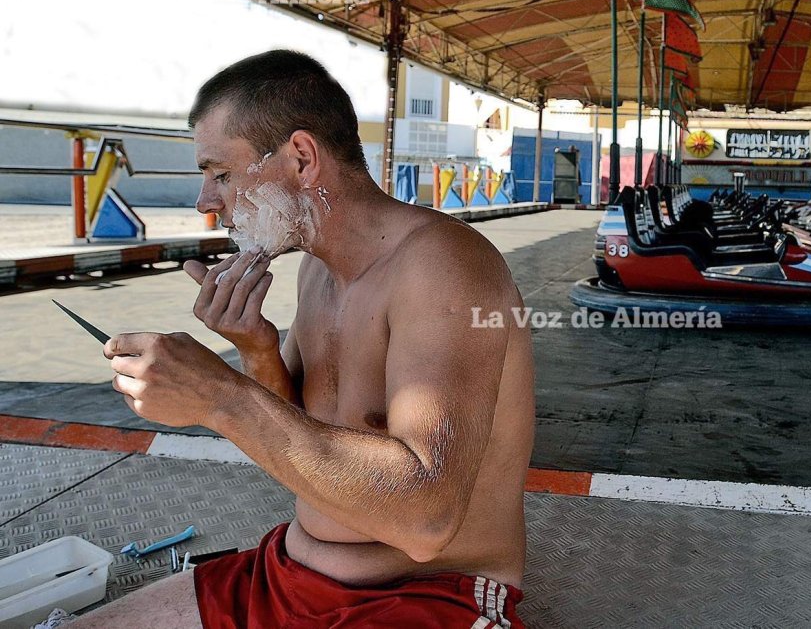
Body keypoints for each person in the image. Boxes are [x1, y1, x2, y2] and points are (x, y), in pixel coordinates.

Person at [74, 50, 535, 628]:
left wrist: (220, 396)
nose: (205, 202)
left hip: (430, 595)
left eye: (221, 173)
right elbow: (300, 436)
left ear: (301, 158)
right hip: (286, 576)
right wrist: (256, 349)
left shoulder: (444, 266)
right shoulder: (316, 268)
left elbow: (427, 519)